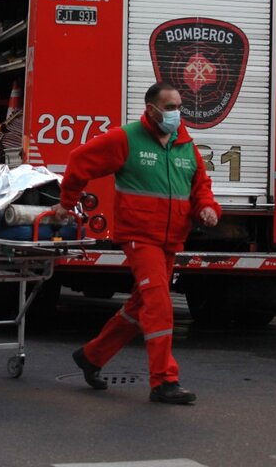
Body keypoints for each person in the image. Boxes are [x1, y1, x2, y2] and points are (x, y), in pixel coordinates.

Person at [53, 82, 220, 405]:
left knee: (140, 306)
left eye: (179, 107)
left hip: (171, 238)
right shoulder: (125, 138)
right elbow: (79, 160)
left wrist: (208, 208)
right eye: (170, 107)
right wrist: (68, 201)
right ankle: (164, 380)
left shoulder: (184, 143)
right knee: (158, 304)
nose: (176, 114)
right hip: (139, 237)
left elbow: (201, 186)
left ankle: (92, 356)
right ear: (151, 109)